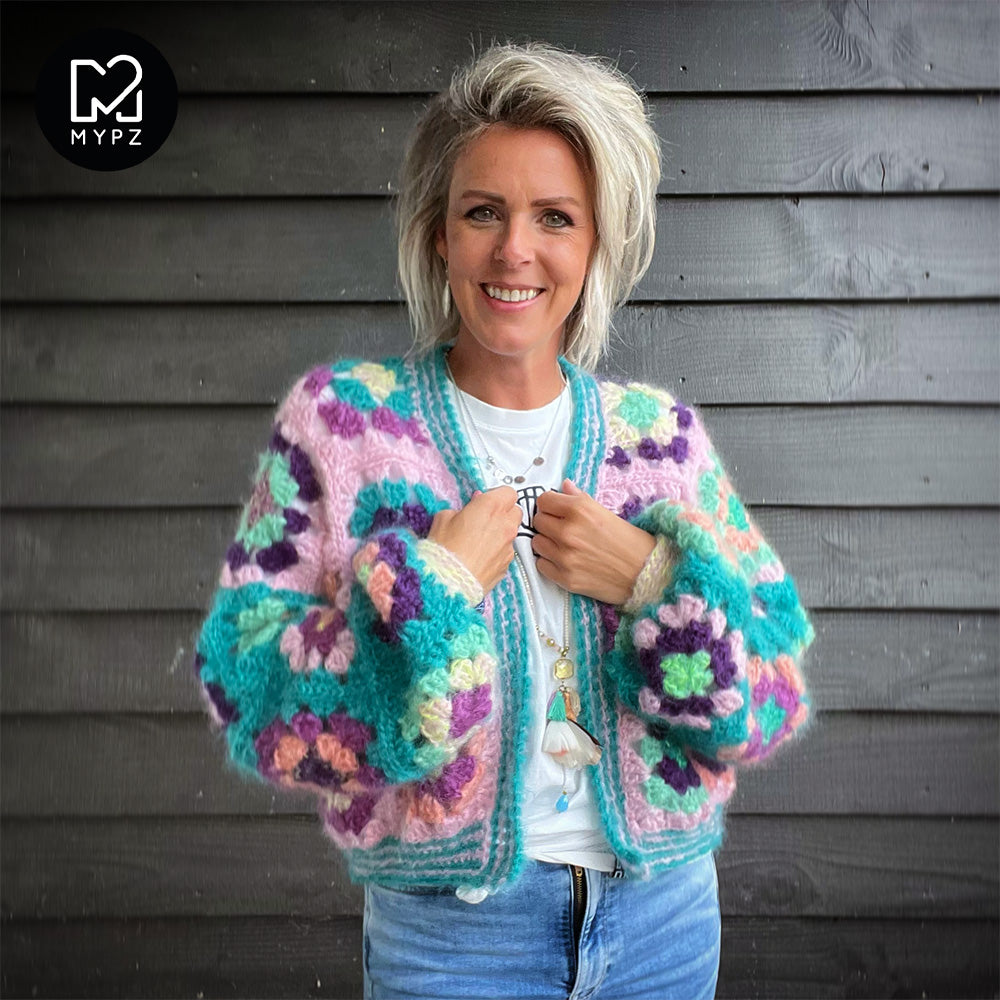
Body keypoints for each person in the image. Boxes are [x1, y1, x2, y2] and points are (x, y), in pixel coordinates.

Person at [195, 42, 814, 1000]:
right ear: (439, 235)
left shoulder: (662, 441)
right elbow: (246, 690)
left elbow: (769, 701)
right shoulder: (343, 425)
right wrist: (426, 599)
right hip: (453, 941)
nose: (514, 250)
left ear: (596, 243)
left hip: (663, 925)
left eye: (554, 217)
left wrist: (655, 584)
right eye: (483, 211)